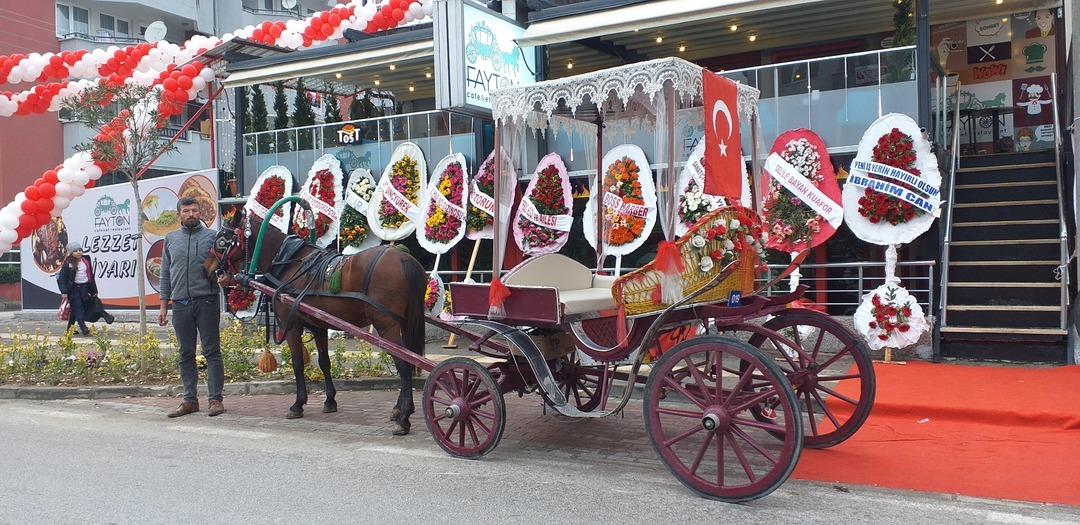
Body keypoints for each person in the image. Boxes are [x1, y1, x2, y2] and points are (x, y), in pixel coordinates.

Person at [158, 197, 228, 418]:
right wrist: (163, 305)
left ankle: (215, 399)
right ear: (179, 214)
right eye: (186, 210)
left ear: (200, 213)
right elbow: (165, 273)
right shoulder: (170, 239)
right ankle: (190, 400)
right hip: (180, 304)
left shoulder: (212, 237)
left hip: (206, 301)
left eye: (194, 210)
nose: (190, 214)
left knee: (212, 351)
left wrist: (226, 277)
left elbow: (225, 266)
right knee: (185, 353)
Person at [56, 242, 113, 335]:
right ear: (71, 253)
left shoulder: (86, 260)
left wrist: (93, 290)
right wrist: (64, 291)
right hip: (74, 289)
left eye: (80, 250)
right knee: (78, 308)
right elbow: (61, 278)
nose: (78, 252)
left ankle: (70, 329)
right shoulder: (68, 264)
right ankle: (84, 328)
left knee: (90, 304)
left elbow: (90, 276)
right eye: (75, 251)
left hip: (85, 287)